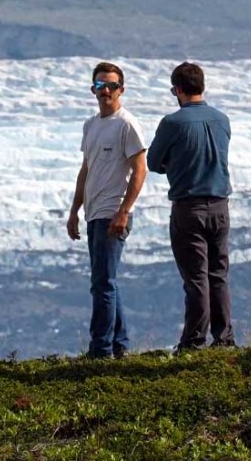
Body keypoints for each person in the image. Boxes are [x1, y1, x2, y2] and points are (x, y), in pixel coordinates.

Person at [147, 61, 235, 350]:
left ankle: (194, 341)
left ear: (178, 90)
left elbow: (152, 162)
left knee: (196, 278)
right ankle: (224, 338)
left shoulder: (172, 123)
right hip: (220, 206)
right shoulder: (222, 119)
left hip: (189, 207)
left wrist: (173, 163)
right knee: (218, 275)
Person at [67, 61, 147, 359]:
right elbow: (85, 169)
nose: (106, 91)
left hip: (114, 212)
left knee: (102, 282)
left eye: (111, 86)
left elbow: (140, 169)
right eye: (100, 86)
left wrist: (124, 211)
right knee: (106, 280)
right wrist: (75, 209)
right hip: (93, 212)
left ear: (121, 90)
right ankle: (120, 344)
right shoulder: (91, 125)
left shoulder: (126, 124)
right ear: (93, 90)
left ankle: (100, 350)